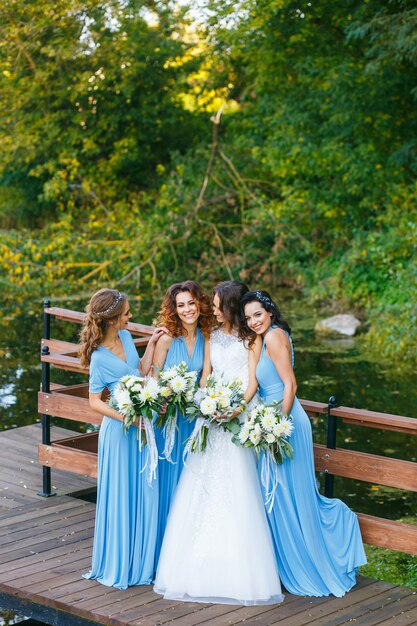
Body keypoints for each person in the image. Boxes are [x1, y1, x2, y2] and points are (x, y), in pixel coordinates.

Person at [154, 281, 284, 606]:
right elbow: (206, 376)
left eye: (215, 306)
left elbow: (252, 380)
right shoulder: (212, 335)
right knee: (201, 486)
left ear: (229, 306)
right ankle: (193, 568)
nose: (211, 310)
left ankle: (240, 570)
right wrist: (206, 402)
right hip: (210, 417)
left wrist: (235, 407)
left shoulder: (252, 338)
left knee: (237, 487)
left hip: (238, 413)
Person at [241, 289, 367, 597]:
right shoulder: (267, 336)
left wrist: (276, 428)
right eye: (248, 318)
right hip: (271, 421)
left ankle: (306, 562)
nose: (254, 321)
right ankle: (286, 563)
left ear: (269, 312)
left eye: (258, 314)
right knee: (279, 496)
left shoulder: (274, 337)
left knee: (289, 495)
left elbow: (291, 385)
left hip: (285, 423)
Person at [79, 288, 166, 589]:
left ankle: (141, 560)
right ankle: (120, 563)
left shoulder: (127, 338)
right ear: (114, 319)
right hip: (119, 432)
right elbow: (94, 402)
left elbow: (140, 371)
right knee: (121, 494)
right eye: (127, 313)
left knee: (142, 490)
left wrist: (152, 344)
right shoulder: (99, 357)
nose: (131, 316)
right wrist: (128, 417)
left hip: (140, 427)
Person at [152, 280, 213, 564]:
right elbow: (152, 378)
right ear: (173, 309)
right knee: (170, 481)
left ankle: (186, 551)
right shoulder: (166, 339)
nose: (188, 309)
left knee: (191, 482)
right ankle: (164, 551)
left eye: (191, 303)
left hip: (194, 417)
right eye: (181, 305)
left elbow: (207, 376)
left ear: (200, 303)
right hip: (169, 419)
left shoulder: (207, 334)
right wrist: (163, 397)